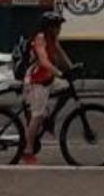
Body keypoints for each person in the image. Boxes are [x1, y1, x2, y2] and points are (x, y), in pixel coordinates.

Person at [21, 11, 73, 165]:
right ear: (49, 27)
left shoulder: (52, 38)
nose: (59, 28)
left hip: (48, 79)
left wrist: (71, 68)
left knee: (68, 88)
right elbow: (43, 61)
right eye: (57, 26)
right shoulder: (40, 38)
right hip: (36, 81)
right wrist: (59, 72)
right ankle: (28, 151)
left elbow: (60, 52)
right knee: (37, 116)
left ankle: (51, 119)